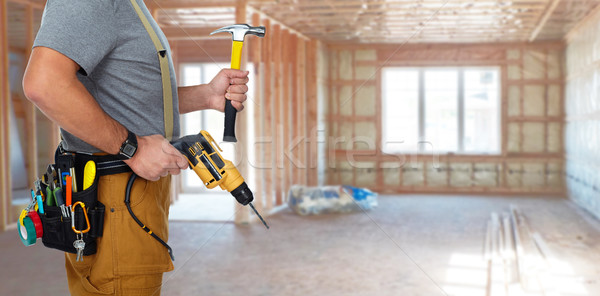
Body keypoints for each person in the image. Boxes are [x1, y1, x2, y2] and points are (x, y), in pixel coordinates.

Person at [22, 0, 249, 294]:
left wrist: (205, 96)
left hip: (130, 196)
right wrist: (133, 149)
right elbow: (44, 84)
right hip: (117, 197)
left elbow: (128, 98)